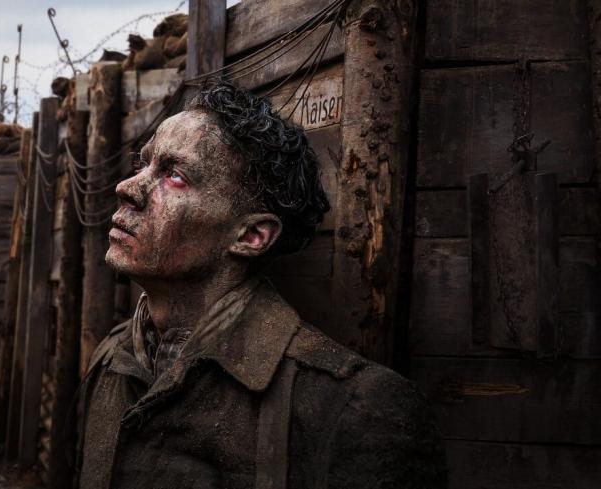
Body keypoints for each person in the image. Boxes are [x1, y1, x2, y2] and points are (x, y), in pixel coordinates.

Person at [74, 79, 447, 488]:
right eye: (142, 164)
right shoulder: (109, 360)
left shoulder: (353, 410)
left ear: (251, 236)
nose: (127, 188)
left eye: (175, 175)